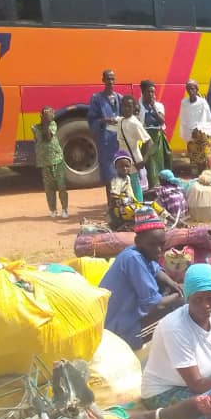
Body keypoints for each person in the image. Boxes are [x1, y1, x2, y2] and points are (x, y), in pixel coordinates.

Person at [140, 264, 211, 416]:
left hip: (207, 382)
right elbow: (196, 384)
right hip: (167, 390)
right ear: (187, 297)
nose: (205, 305)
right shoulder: (175, 327)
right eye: (198, 299)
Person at [99, 207, 183, 349]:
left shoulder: (137, 253)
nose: (158, 250)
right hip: (118, 331)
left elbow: (157, 271)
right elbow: (155, 303)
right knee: (182, 306)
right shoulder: (134, 259)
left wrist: (174, 284)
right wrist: (180, 294)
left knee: (168, 289)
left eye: (161, 244)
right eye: (152, 244)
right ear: (138, 241)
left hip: (117, 321)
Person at [87, 69, 121, 204]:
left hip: (119, 141)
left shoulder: (120, 98)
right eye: (108, 79)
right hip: (106, 141)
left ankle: (121, 204)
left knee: (121, 172)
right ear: (103, 80)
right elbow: (91, 119)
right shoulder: (97, 99)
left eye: (113, 79)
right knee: (109, 174)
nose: (111, 82)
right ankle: (111, 204)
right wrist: (104, 120)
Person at [31, 106, 69, 219]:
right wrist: (44, 122)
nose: (51, 116)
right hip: (44, 161)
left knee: (61, 185)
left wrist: (47, 122)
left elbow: (48, 137)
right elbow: (41, 137)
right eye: (48, 114)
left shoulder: (53, 124)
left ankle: (64, 209)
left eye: (52, 113)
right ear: (41, 116)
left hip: (57, 159)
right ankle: (52, 209)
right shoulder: (34, 127)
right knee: (49, 188)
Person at [118, 95, 154, 201]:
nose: (126, 109)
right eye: (124, 106)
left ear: (134, 108)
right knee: (126, 188)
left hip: (134, 161)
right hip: (123, 161)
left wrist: (143, 160)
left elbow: (150, 142)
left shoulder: (135, 123)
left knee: (135, 187)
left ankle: (139, 211)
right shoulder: (121, 121)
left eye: (129, 106)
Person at [138, 80, 170, 189]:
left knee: (159, 164)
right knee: (150, 165)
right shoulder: (138, 106)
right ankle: (152, 189)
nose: (151, 94)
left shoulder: (159, 106)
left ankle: (159, 189)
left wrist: (154, 108)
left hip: (157, 138)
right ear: (143, 92)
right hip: (146, 137)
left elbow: (161, 121)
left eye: (153, 92)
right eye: (148, 92)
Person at [179, 80, 211, 173]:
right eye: (188, 89)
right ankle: (196, 177)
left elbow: (206, 118)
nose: (190, 91)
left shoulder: (202, 103)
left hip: (203, 133)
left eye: (192, 88)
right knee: (194, 157)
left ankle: (209, 175)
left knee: (206, 155)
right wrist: (189, 131)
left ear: (196, 90)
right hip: (191, 133)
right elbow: (184, 118)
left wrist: (198, 129)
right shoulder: (184, 103)